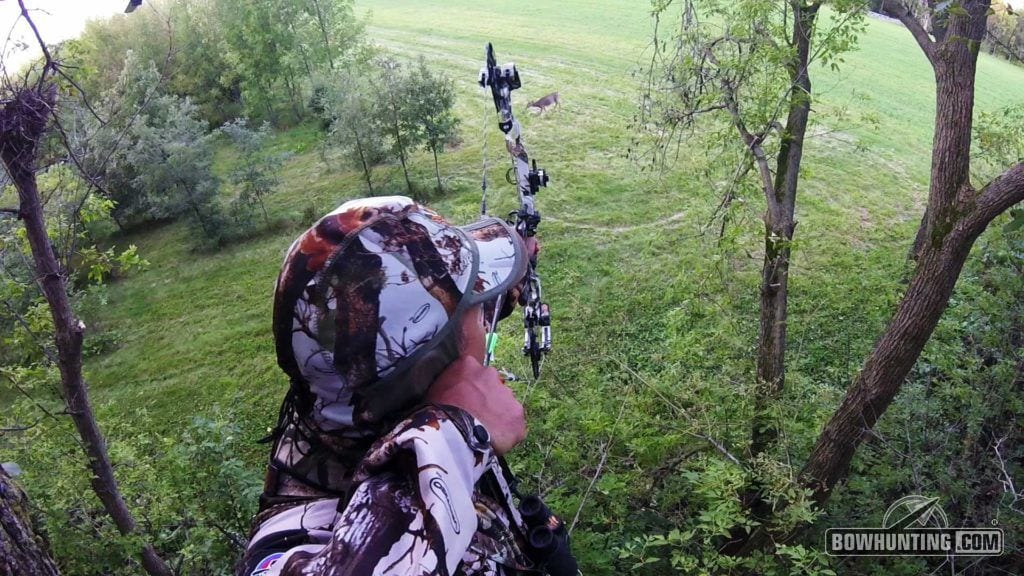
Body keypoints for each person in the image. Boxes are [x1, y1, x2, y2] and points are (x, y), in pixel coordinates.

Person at [237, 195, 549, 576]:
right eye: (474, 304)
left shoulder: (339, 406)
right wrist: (454, 433)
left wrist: (514, 271)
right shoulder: (292, 536)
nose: (485, 320)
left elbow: (435, 336)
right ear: (436, 364)